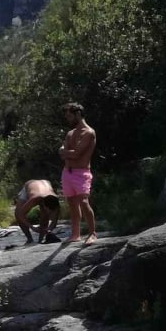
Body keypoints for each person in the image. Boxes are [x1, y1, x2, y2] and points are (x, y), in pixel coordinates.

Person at [59, 102, 97, 244]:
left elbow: (76, 154)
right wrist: (66, 152)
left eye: (69, 116)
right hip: (66, 173)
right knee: (72, 204)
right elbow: (63, 151)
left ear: (78, 114)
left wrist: (66, 152)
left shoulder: (89, 132)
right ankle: (75, 234)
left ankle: (92, 233)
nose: (68, 119)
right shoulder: (70, 133)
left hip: (81, 173)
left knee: (83, 201)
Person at [14, 179, 61, 244]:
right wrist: (32, 227)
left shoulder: (55, 202)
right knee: (17, 214)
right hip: (30, 185)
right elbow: (20, 214)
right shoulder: (34, 199)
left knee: (44, 216)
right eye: (48, 210)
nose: (48, 213)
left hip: (45, 185)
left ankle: (40, 240)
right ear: (44, 205)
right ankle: (29, 239)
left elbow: (54, 222)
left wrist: (49, 230)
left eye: (50, 212)